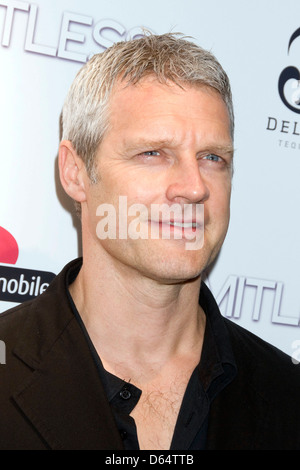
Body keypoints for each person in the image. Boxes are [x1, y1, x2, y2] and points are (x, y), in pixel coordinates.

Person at [0, 33, 299, 451]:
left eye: (213, 157)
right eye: (153, 153)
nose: (194, 188)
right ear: (75, 172)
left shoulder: (287, 394)